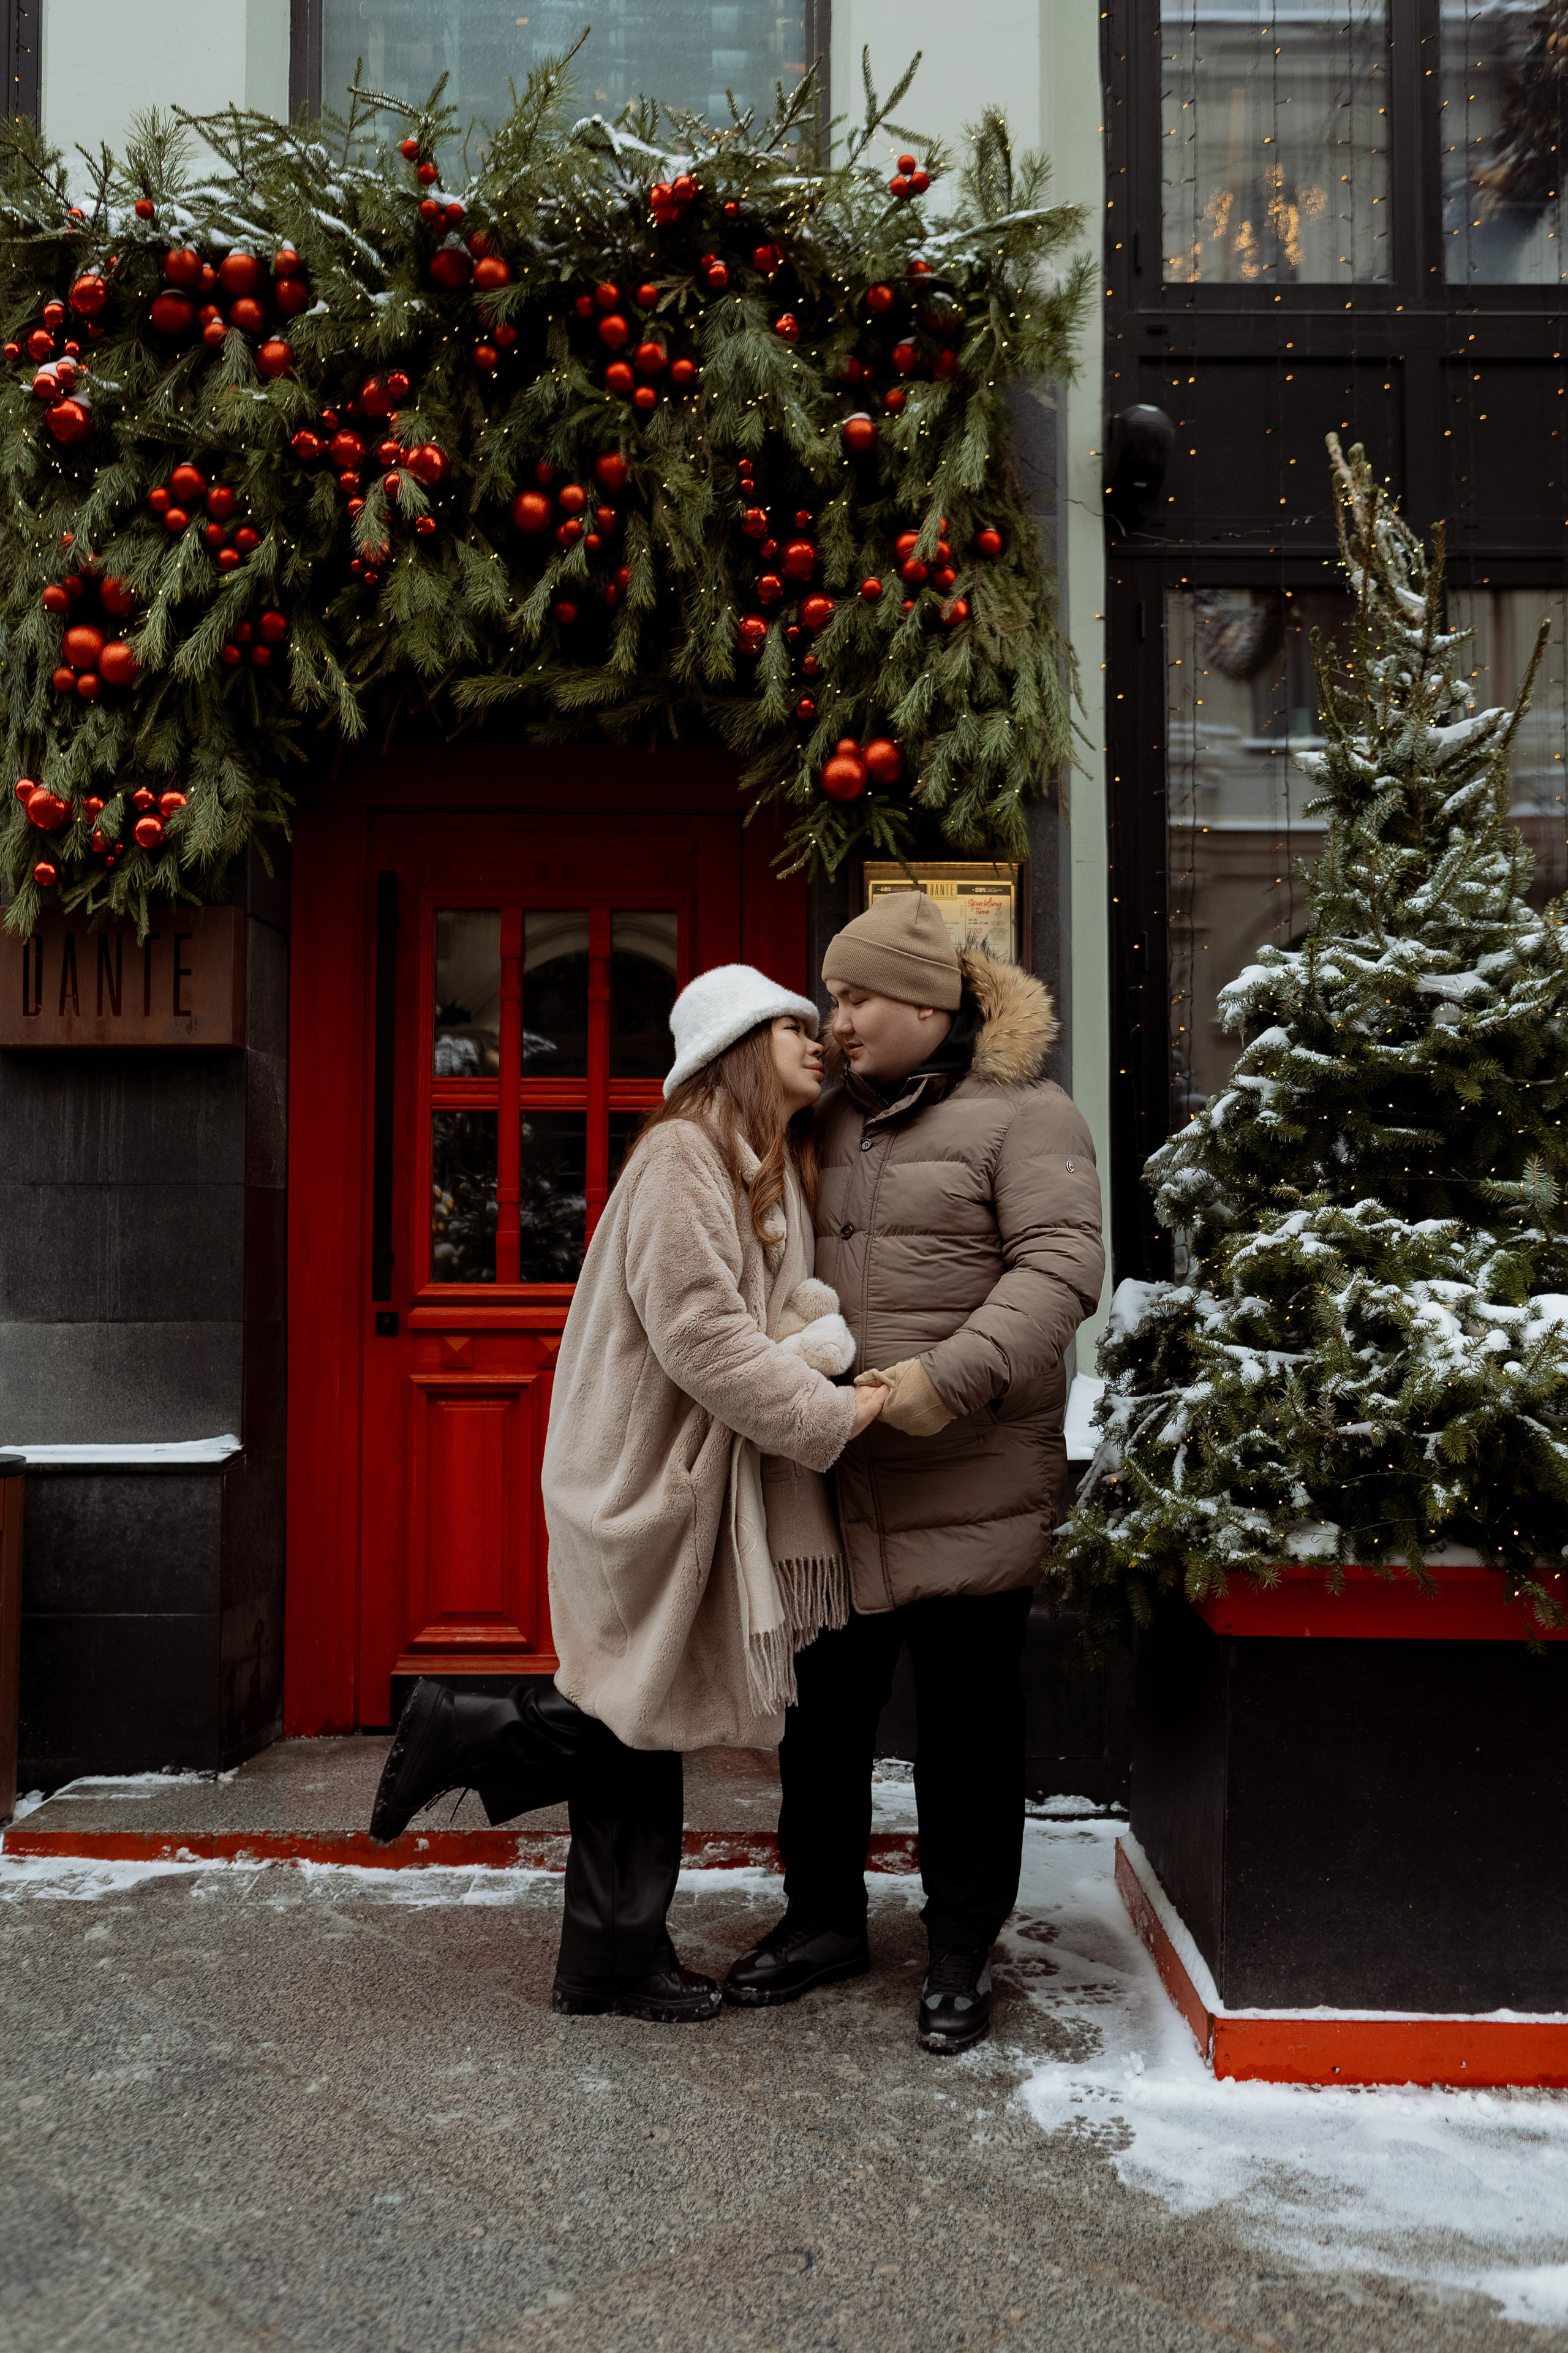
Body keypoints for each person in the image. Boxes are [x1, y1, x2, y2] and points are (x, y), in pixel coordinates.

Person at [368, 964, 888, 2022]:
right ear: (740, 1044)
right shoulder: (682, 1158)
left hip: (693, 1478)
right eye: (791, 1022)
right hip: (644, 1478)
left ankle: (608, 1961)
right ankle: (460, 1726)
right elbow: (702, 1336)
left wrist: (815, 1335)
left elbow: (773, 1305)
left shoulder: (760, 1163)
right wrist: (831, 1411)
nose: (814, 1036)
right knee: (628, 1712)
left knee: (638, 1721)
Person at [723, 891, 1105, 2053]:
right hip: (837, 1478)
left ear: (931, 1004)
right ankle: (824, 1919)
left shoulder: (1026, 1117)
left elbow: (1061, 1269)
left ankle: (958, 1949)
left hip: (970, 1472)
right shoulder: (821, 1119)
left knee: (969, 1725)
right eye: (832, 997)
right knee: (824, 1720)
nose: (836, 1019)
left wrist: (947, 1377)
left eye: (858, 998)